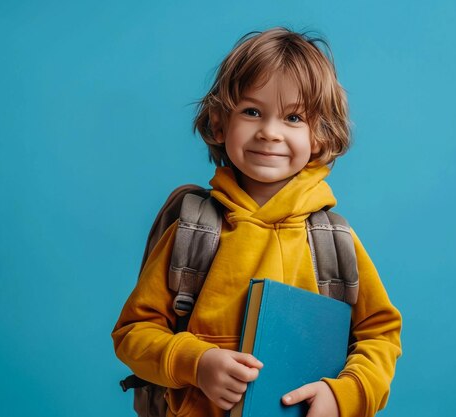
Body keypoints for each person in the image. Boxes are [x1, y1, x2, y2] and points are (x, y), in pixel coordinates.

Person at [112, 27, 402, 417]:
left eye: (294, 117)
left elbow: (380, 335)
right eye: (252, 112)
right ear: (219, 123)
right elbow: (133, 334)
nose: (269, 132)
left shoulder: (334, 241)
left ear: (319, 135)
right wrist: (196, 363)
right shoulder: (194, 231)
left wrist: (345, 394)